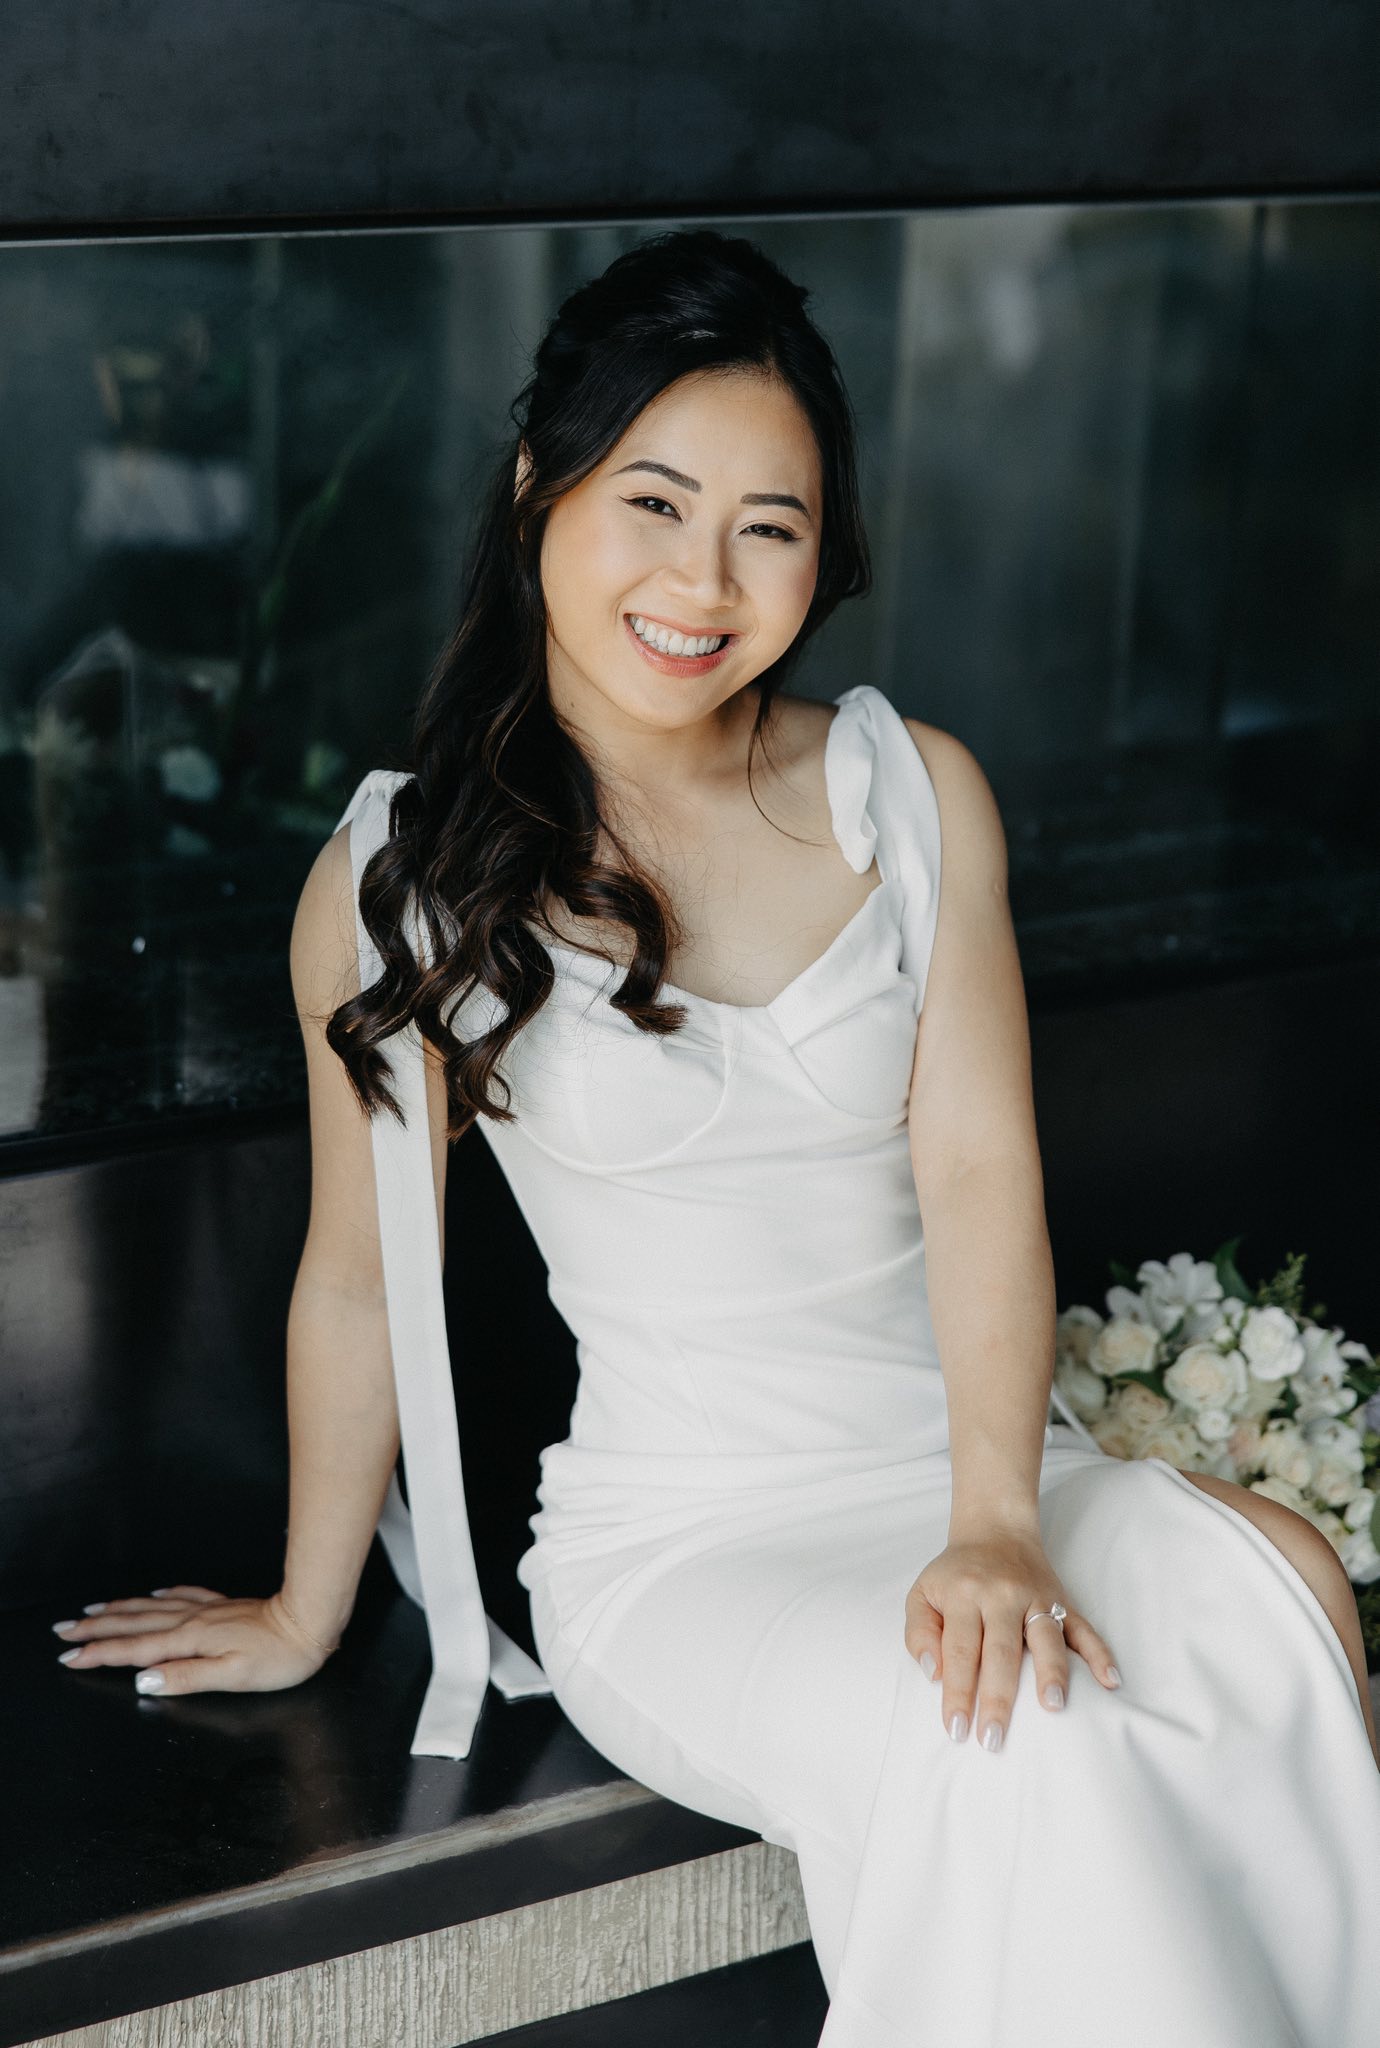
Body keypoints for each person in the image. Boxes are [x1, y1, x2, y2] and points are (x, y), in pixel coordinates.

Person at [53, 227, 1380, 2044]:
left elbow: (985, 1177)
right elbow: (360, 1284)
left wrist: (996, 1517)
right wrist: (307, 1602)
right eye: (655, 502)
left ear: (824, 552)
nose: (706, 577)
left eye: (771, 523)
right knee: (1009, 1737)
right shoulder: (399, 883)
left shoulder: (912, 796)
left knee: (1284, 1590)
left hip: (976, 1473)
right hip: (692, 1541)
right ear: (541, 493)